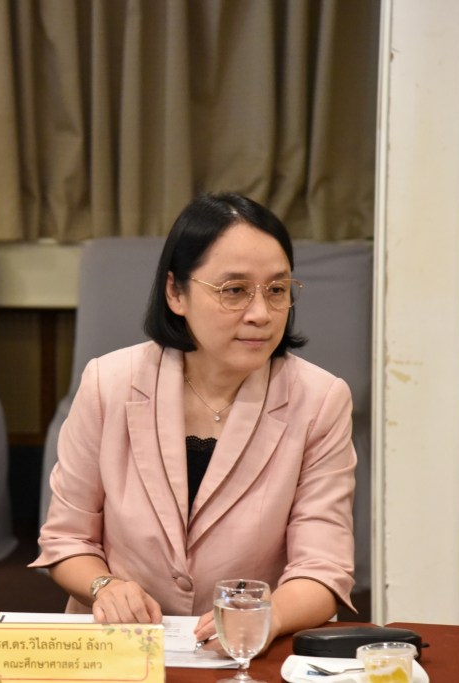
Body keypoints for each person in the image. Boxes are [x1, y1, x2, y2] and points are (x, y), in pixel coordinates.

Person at [31, 192, 356, 648]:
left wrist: (267, 616)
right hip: (123, 649)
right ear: (176, 292)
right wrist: (105, 587)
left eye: (277, 290)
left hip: (247, 654)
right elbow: (67, 540)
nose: (261, 314)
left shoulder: (319, 399)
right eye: (234, 291)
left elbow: (323, 568)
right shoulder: (110, 383)